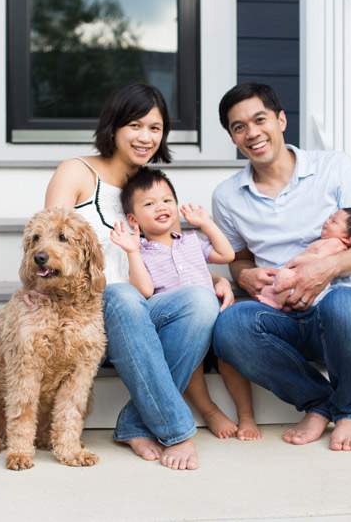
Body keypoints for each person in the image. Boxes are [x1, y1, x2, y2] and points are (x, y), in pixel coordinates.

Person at [40, 82, 234, 470]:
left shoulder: (147, 188)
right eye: (135, 124)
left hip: (148, 307)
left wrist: (209, 277)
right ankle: (177, 430)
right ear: (113, 126)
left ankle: (133, 423)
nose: (146, 137)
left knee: (199, 299)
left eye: (155, 127)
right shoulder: (77, 171)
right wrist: (36, 288)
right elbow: (48, 241)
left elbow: (167, 250)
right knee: (122, 295)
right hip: (92, 311)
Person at [210, 82, 351, 451]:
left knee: (348, 306)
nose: (252, 133)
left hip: (334, 312)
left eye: (260, 120)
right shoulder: (227, 196)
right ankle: (318, 403)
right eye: (239, 127)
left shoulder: (335, 167)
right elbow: (237, 260)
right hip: (280, 316)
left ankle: (350, 412)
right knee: (230, 327)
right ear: (232, 136)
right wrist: (244, 274)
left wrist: (325, 269)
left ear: (281, 119)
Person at [110, 167, 261, 440]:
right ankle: (210, 411)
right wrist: (132, 250)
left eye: (167, 200)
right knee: (192, 367)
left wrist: (206, 224)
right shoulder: (140, 251)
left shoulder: (192, 240)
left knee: (231, 360)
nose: (160, 207)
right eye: (149, 203)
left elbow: (227, 254)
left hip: (214, 319)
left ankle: (247, 415)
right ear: (133, 218)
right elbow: (143, 290)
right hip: (182, 326)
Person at [257, 207, 351, 310]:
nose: (327, 221)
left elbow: (318, 258)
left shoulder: (334, 243)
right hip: (299, 283)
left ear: (347, 238)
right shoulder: (327, 242)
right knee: (265, 290)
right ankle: (284, 303)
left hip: (309, 287)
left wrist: (295, 260)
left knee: (283, 275)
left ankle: (278, 304)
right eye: (329, 218)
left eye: (334, 221)